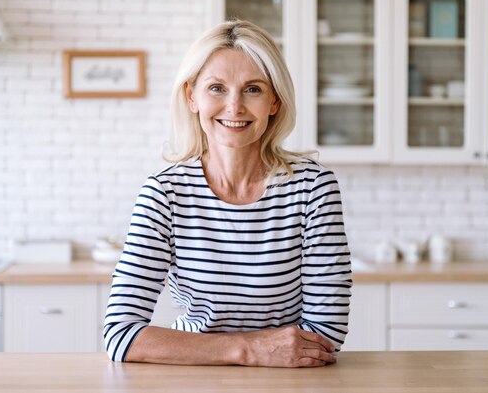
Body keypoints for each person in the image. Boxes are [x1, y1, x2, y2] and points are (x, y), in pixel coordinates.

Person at [104, 20, 352, 368]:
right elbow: (120, 334)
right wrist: (250, 350)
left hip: (290, 380)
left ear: (274, 101)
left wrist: (223, 349)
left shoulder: (313, 188)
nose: (234, 107)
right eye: (217, 88)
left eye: (252, 89)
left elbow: (326, 335)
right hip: (195, 378)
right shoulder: (165, 194)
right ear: (192, 97)